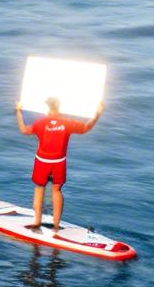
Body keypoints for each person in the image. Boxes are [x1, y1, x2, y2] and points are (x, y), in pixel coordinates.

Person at [15, 96, 103, 232]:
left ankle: (37, 222)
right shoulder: (67, 123)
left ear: (47, 108)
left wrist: (18, 113)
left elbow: (24, 130)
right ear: (59, 107)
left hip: (42, 161)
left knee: (39, 189)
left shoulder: (41, 123)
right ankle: (56, 226)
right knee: (56, 191)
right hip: (58, 162)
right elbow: (86, 128)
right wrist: (97, 114)